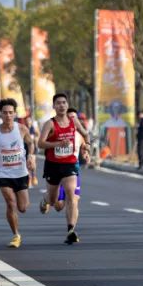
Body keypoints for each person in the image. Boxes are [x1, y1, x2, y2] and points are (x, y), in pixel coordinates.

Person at [0, 98, 35, 248]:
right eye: (5, 113)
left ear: (15, 114)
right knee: (11, 203)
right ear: (0, 114)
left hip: (20, 172)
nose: (8, 115)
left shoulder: (22, 129)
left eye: (10, 112)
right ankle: (16, 235)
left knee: (23, 207)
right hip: (3, 173)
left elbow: (30, 143)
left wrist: (30, 156)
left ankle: (16, 228)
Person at [38, 93, 87, 244]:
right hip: (53, 164)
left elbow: (85, 133)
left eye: (64, 102)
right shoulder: (50, 124)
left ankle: (71, 230)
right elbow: (40, 143)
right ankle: (46, 199)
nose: (62, 105)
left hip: (69, 163)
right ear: (54, 106)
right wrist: (57, 144)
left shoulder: (73, 121)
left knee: (71, 194)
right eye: (58, 103)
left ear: (67, 105)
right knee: (55, 202)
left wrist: (87, 146)